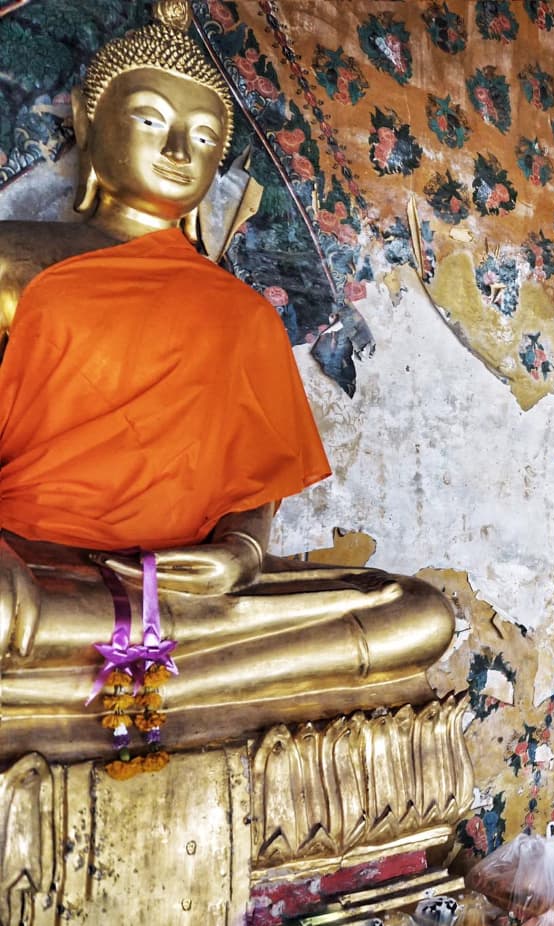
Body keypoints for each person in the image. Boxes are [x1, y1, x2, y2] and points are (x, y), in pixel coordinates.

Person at [0, 1, 453, 766]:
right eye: (150, 120)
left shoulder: (241, 313)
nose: (180, 148)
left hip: (184, 598)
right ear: (87, 118)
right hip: (30, 574)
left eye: (205, 137)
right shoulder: (15, 262)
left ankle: (86, 685)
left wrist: (241, 551)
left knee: (416, 615)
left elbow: (254, 477)